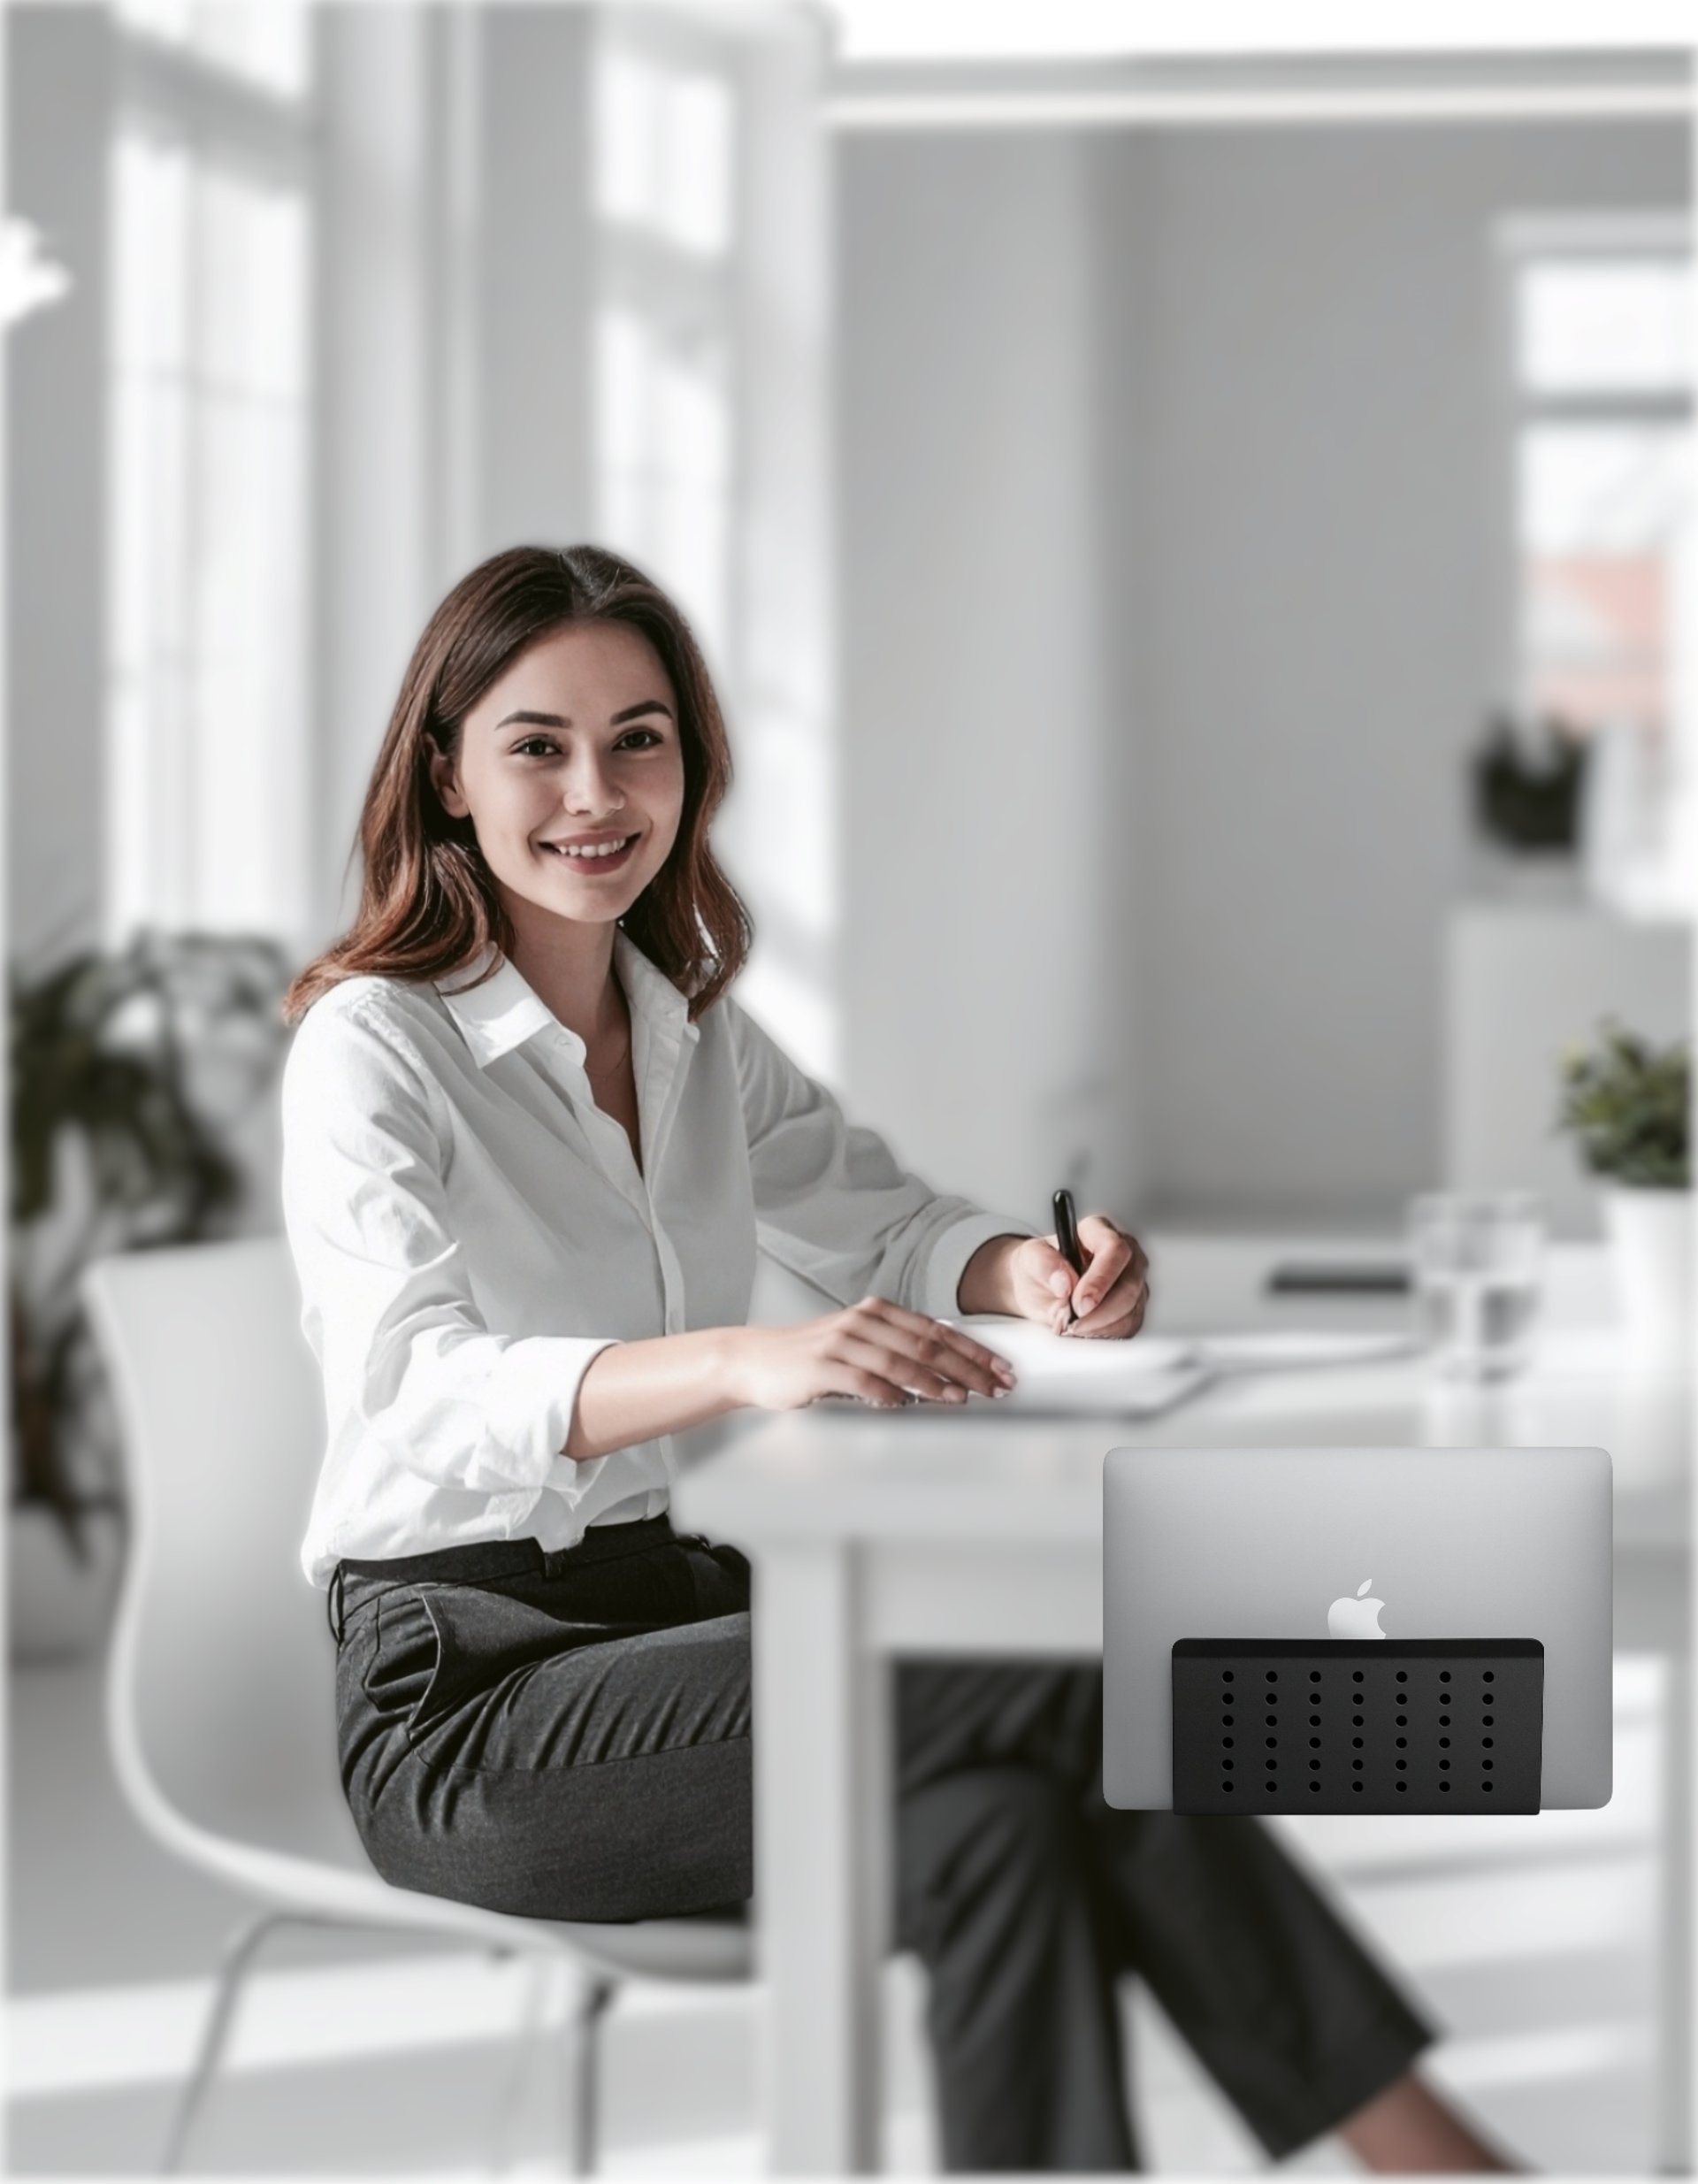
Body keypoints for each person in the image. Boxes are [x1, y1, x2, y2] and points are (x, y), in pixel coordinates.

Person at [279, 543, 1512, 2173]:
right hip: (473, 1700)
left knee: (1001, 1826)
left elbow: (888, 1219)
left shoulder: (687, 1026)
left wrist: (1029, 1271)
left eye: (640, 739)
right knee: (1069, 1674)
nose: (596, 792)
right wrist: (741, 1360)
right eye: (538, 745)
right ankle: (1437, 2157)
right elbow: (412, 1387)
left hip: (687, 1631)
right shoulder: (374, 1043)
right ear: (447, 772)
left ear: (691, 765)